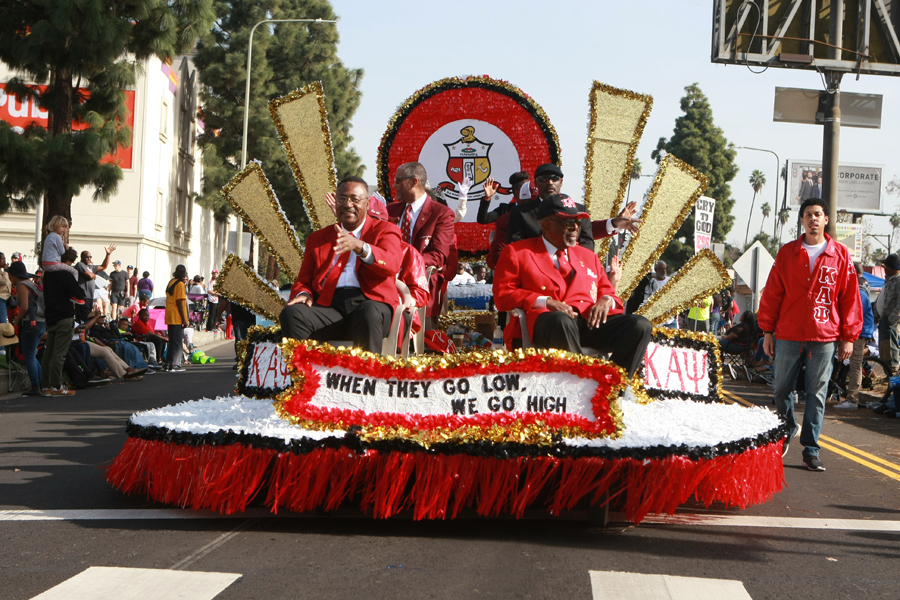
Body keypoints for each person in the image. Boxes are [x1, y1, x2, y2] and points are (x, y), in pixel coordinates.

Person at [493, 194, 652, 377]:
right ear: (546, 225)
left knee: (639, 325)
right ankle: (581, 386)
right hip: (546, 322)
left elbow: (607, 291)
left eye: (577, 222)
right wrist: (547, 302)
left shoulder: (588, 256)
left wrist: (606, 300)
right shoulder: (517, 252)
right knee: (562, 320)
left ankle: (612, 388)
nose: (575, 228)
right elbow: (503, 295)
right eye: (567, 223)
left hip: (587, 321)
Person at [758, 197, 862, 472]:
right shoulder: (787, 253)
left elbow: (850, 298)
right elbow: (773, 293)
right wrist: (767, 330)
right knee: (781, 388)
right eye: (808, 214)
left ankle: (811, 449)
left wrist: (848, 336)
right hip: (788, 334)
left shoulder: (840, 255)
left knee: (817, 393)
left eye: (818, 214)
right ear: (802, 220)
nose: (813, 218)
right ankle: (786, 428)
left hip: (824, 336)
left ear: (826, 220)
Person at [281, 177, 403, 353]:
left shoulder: (385, 230)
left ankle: (366, 378)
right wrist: (304, 293)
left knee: (369, 311)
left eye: (354, 199)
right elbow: (304, 279)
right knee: (292, 314)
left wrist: (359, 246)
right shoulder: (318, 238)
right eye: (341, 199)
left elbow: (391, 264)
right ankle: (306, 377)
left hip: (371, 304)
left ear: (367, 204)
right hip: (330, 307)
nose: (347, 204)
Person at [506, 164, 640, 251]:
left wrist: (614, 223)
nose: (550, 182)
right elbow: (516, 248)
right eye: (543, 179)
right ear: (536, 183)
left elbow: (587, 242)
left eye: (554, 178)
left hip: (572, 273)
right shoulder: (521, 212)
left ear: (561, 182)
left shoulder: (579, 209)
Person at [387, 163, 455, 323]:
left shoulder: (441, 214)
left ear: (413, 182)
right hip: (388, 276)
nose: (394, 185)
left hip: (419, 278)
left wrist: (404, 263)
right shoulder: (390, 210)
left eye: (398, 180)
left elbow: (438, 256)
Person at [41, 247, 86, 396]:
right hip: (64, 315)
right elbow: (80, 293)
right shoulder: (66, 274)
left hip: (51, 316)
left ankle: (46, 385)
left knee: (49, 352)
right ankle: (56, 386)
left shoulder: (47, 274)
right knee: (59, 354)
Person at [7, 261, 45, 396]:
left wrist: (17, 321)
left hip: (30, 322)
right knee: (32, 354)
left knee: (28, 355)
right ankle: (40, 383)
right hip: (41, 322)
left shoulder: (22, 286)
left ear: (14, 275)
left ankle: (35, 385)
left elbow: (24, 307)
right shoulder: (34, 285)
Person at [839, 275, 875, 409]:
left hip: (858, 334)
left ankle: (852, 400)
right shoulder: (859, 293)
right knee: (851, 363)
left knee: (855, 365)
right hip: (858, 332)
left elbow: (853, 316)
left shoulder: (858, 294)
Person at [75, 244, 116, 321]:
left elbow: (104, 266)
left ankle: (86, 331)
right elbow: (90, 276)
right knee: (83, 318)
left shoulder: (90, 267)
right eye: (87, 257)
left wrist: (108, 255)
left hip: (89, 296)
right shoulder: (80, 264)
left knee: (88, 316)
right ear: (82, 257)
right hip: (83, 296)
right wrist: (93, 275)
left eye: (90, 257)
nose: (89, 258)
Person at [876, 253, 900, 374]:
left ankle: (893, 376)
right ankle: (888, 375)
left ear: (892, 266)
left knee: (890, 350)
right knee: (884, 350)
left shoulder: (898, 280)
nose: (884, 268)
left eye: (886, 265)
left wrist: (891, 320)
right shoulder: (890, 280)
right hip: (885, 320)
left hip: (891, 322)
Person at [162, 265, 189, 372]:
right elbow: (179, 302)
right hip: (177, 316)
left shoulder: (171, 282)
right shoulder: (180, 284)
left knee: (172, 341)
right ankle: (175, 364)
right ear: (184, 274)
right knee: (177, 341)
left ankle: (168, 363)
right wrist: (184, 319)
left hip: (169, 314)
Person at [0, 252, 10, 324]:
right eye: (3, 259)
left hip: (6, 298)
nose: (5, 261)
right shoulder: (4, 272)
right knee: (3, 322)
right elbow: (3, 281)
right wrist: (6, 271)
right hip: (1, 298)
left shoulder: (1, 272)